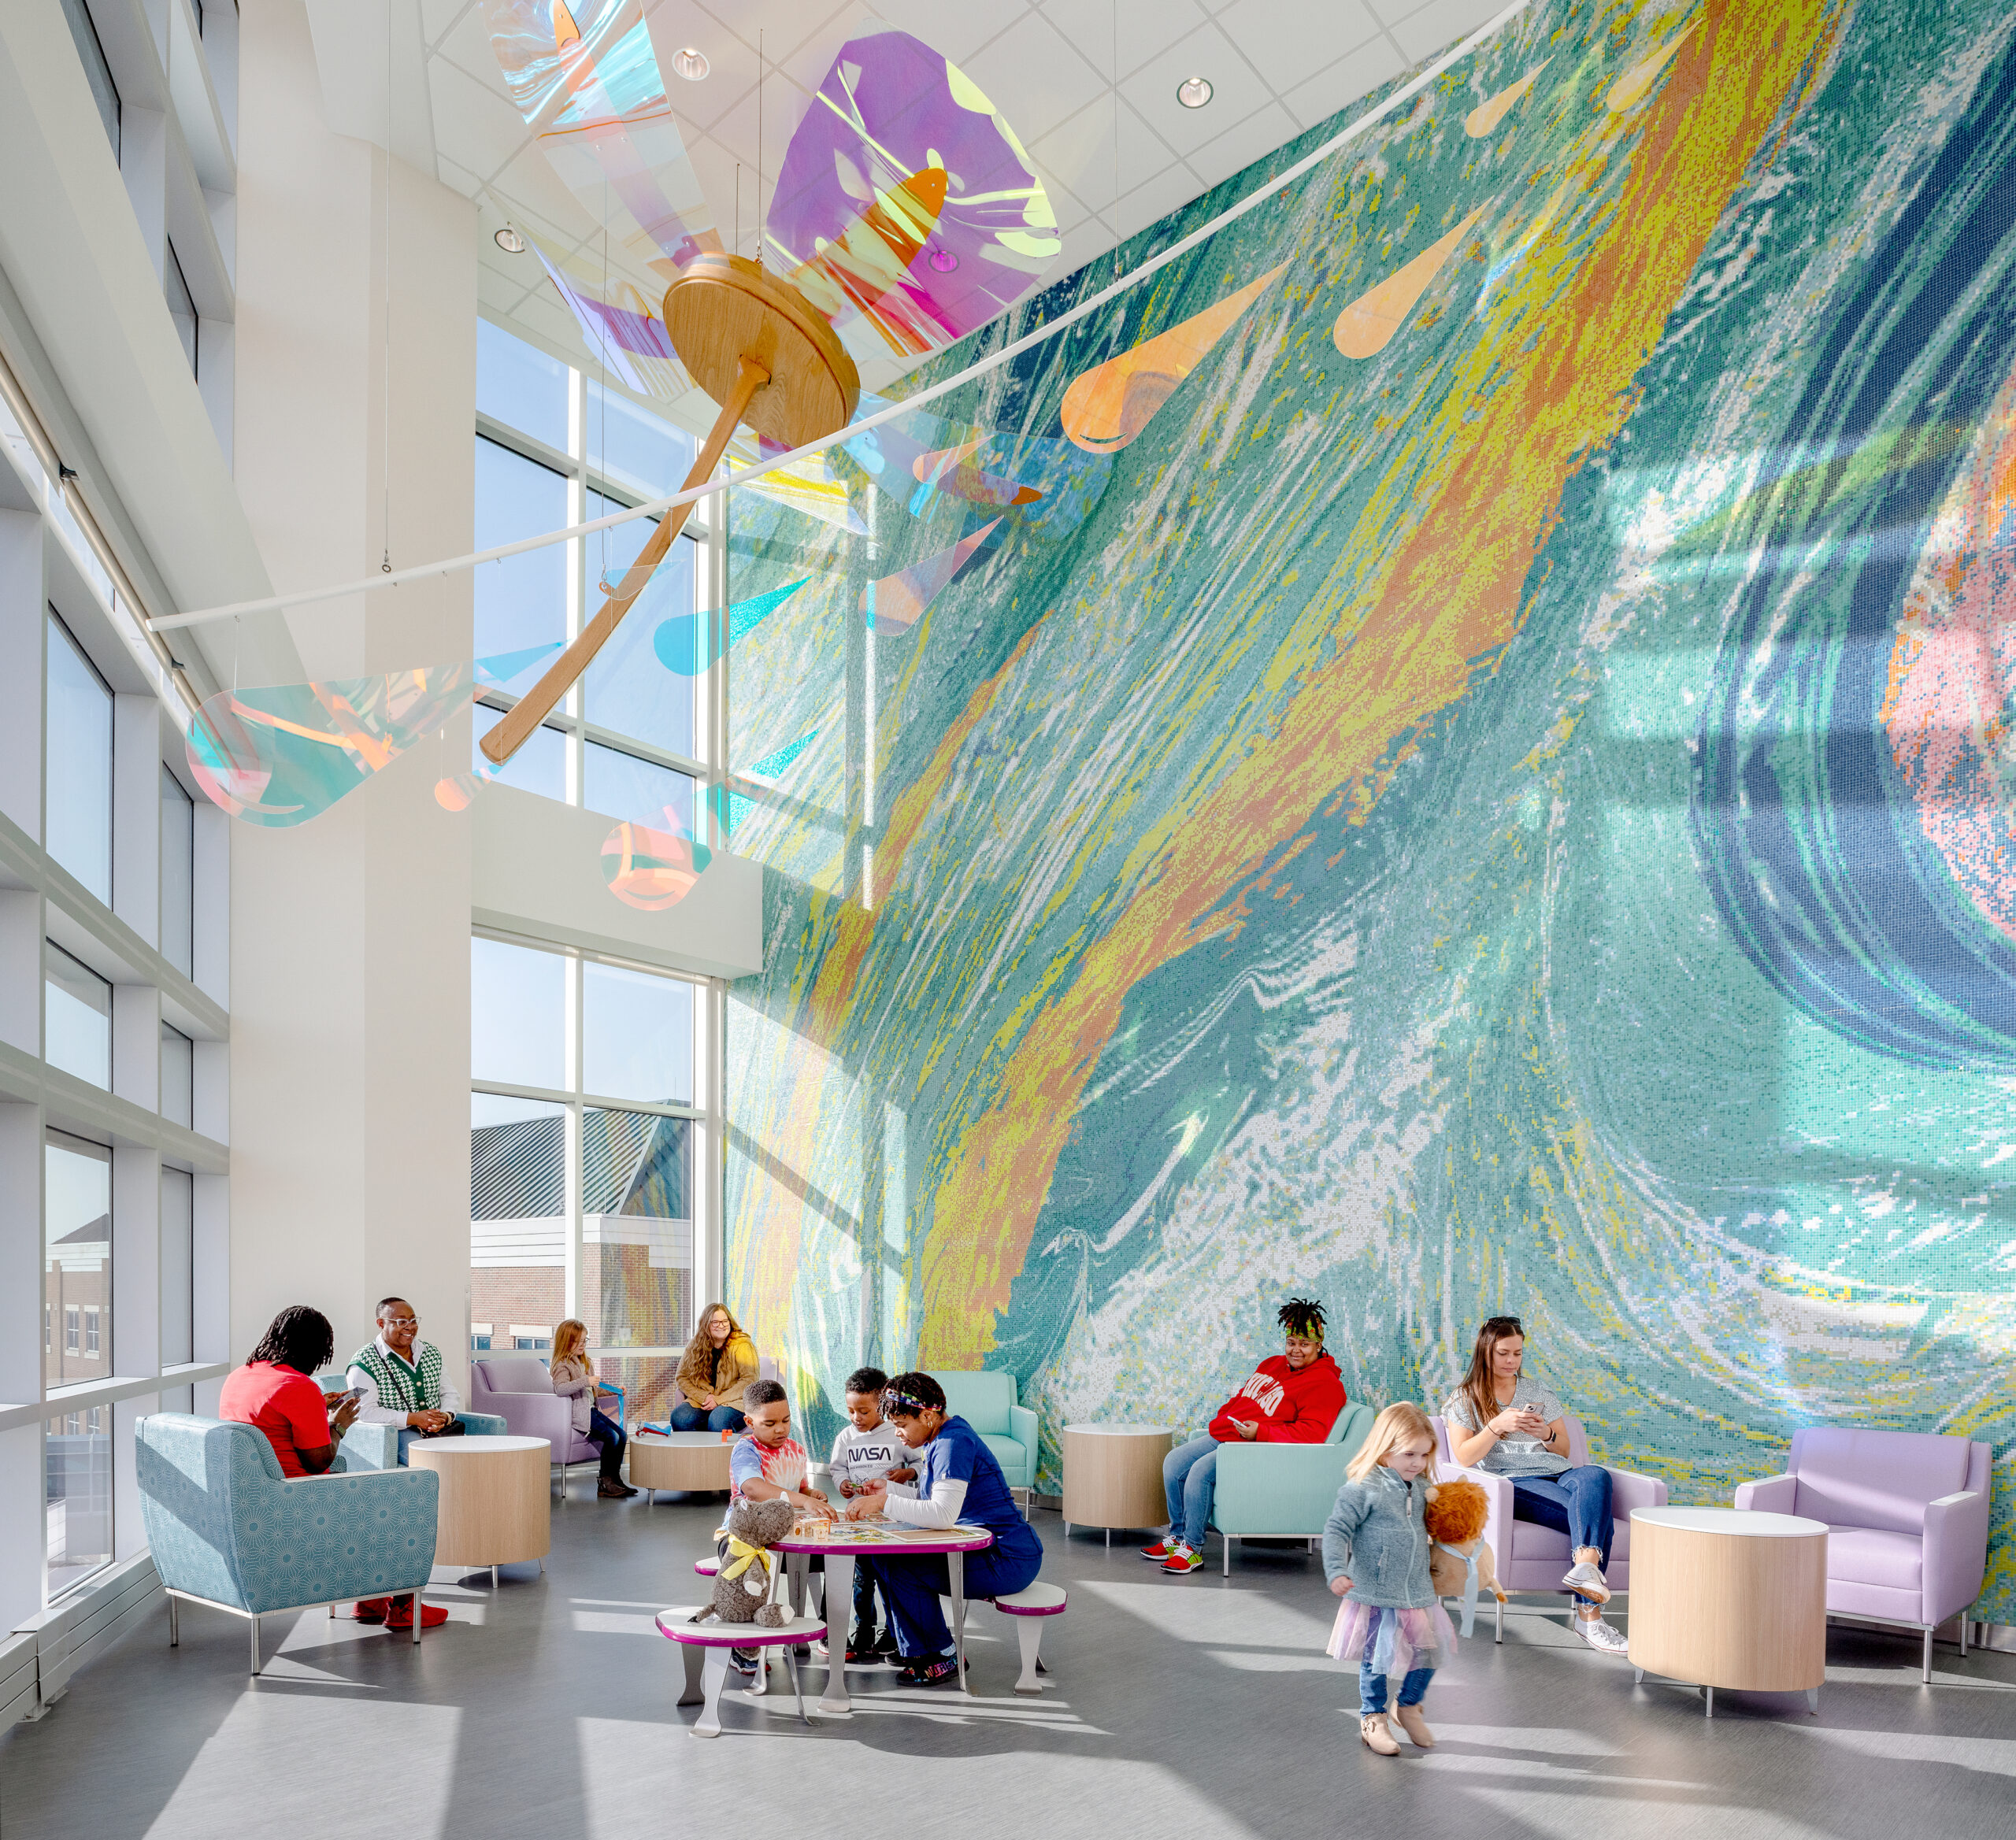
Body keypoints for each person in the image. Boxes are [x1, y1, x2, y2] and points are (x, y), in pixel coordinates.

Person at [1440, 1314, 1627, 1655]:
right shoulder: (1464, 1397)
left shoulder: (1538, 1390)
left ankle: (1585, 1566)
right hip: (1514, 1482)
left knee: (1596, 1474)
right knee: (1596, 1518)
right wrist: (1496, 1426)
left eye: (1518, 1353)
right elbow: (1464, 1456)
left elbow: (1564, 1450)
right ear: (1485, 1352)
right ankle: (1590, 1618)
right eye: (1503, 1353)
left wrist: (1547, 1434)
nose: (1512, 1361)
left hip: (1559, 1471)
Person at [844, 1372, 1044, 1687]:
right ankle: (915, 1648)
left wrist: (884, 1503)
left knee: (899, 1566)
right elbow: (932, 1499)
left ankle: (941, 1654)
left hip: (1007, 1557)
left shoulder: (953, 1443)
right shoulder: (942, 1438)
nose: (897, 1433)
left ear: (927, 1415)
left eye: (901, 1425)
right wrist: (889, 1490)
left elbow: (942, 1513)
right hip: (987, 1549)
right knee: (884, 1557)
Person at [1143, 1298, 1347, 1575]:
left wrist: (1261, 1432)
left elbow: (1311, 1434)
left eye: (1304, 1344)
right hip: (1231, 1435)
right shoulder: (1272, 1364)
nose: (1296, 1350)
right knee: (1174, 1462)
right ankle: (1177, 1538)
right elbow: (1243, 1396)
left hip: (1255, 1449)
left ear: (1319, 1345)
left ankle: (1192, 1549)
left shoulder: (1325, 1384)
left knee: (1199, 1473)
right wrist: (1226, 1415)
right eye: (1291, 1342)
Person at [1322, 1402, 1457, 1756]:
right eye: (1409, 1454)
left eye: (1424, 1455)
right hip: (1377, 1590)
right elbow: (1336, 1529)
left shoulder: (1423, 1487)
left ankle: (1408, 1706)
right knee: (1377, 1658)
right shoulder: (1363, 1488)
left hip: (1417, 1591)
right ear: (1384, 1450)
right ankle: (1373, 1717)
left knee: (1431, 1651)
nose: (1418, 1463)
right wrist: (1336, 1570)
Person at [827, 1364, 918, 1664]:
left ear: (881, 1404)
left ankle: (893, 1632)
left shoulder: (897, 1433)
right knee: (862, 1579)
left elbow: (919, 1464)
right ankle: (863, 1630)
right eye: (851, 1411)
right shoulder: (845, 1437)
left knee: (890, 1578)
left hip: (893, 1521)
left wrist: (907, 1473)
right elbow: (837, 1468)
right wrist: (842, 1484)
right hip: (859, 1522)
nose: (856, 1417)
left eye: (864, 1411)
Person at [219, 1306, 359, 1478]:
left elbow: (272, 1419)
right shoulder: (299, 1386)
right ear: (316, 1350)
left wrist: (316, 1407)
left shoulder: (238, 1375)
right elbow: (319, 1462)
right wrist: (337, 1426)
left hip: (246, 1483)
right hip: (292, 1488)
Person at [346, 1295, 466, 1463]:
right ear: (381, 1324)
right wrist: (412, 1418)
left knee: (471, 1460)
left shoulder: (430, 1353)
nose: (410, 1327)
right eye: (401, 1322)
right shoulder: (363, 1363)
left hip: (440, 1430)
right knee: (434, 1462)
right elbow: (364, 1412)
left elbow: (449, 1393)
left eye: (413, 1321)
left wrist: (446, 1415)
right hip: (397, 1433)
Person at [549, 1318, 633, 1499]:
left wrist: (615, 1390)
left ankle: (615, 1479)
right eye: (577, 1341)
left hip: (593, 1410)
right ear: (566, 1342)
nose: (582, 1345)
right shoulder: (562, 1365)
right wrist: (585, 1381)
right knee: (611, 1437)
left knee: (622, 1435)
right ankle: (605, 1483)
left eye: (584, 1341)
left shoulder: (585, 1362)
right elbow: (560, 1389)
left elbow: (593, 1390)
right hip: (581, 1414)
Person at [672, 1303, 758, 1433]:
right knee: (679, 1418)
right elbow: (681, 1377)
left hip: (735, 1402)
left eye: (725, 1321)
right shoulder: (695, 1344)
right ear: (706, 1324)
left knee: (719, 1420)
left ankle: (721, 1448)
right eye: (715, 1322)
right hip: (703, 1401)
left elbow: (749, 1380)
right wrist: (703, 1397)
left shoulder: (743, 1344)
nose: (721, 1326)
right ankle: (698, 1447)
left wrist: (718, 1400)